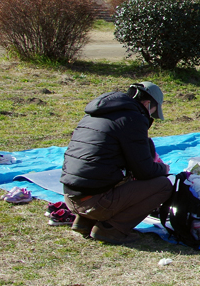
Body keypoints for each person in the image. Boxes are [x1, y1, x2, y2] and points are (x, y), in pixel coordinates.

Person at [60, 81, 173, 245]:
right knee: (163, 185)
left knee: (110, 171)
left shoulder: (98, 113)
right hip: (95, 202)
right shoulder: (132, 119)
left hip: (70, 196)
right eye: (153, 112)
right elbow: (145, 170)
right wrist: (163, 168)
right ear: (148, 104)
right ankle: (112, 229)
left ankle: (84, 221)